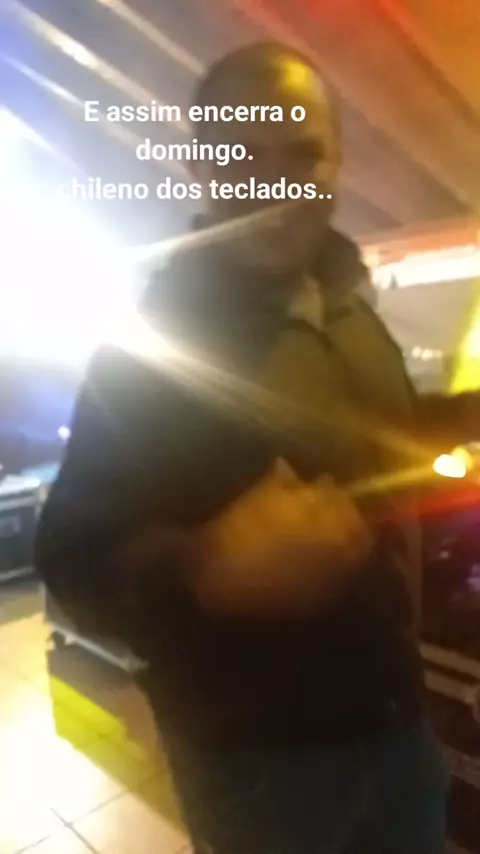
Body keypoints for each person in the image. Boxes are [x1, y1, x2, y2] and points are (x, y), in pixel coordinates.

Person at [37, 41, 480, 853]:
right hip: (264, 774)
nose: (274, 184)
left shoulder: (347, 308)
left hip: (396, 725)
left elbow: (384, 432)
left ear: (338, 162)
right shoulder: (148, 351)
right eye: (243, 153)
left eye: (301, 153)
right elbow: (69, 558)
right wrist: (207, 567)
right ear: (201, 168)